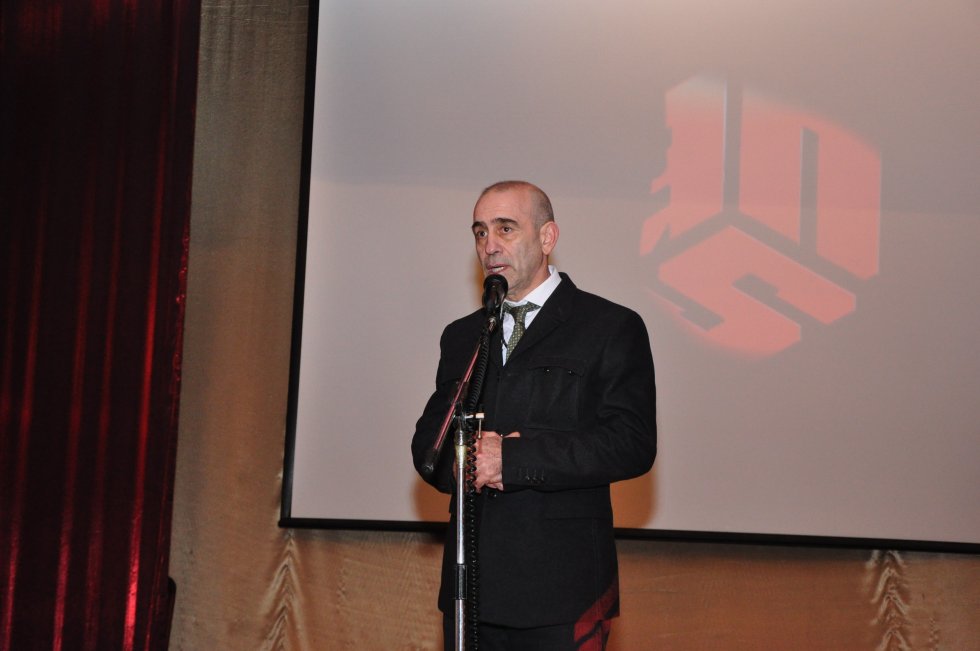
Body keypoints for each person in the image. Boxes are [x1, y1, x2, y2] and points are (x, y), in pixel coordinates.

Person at [412, 180, 657, 650]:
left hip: (564, 593)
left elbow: (631, 443)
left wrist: (513, 459)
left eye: (506, 228)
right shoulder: (464, 336)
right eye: (480, 232)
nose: (489, 245)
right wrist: (459, 460)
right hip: (471, 591)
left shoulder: (609, 326)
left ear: (547, 237)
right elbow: (430, 448)